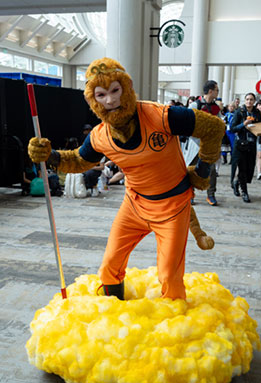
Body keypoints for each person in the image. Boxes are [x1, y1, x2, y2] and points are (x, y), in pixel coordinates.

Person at [26, 58, 223, 300]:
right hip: (134, 205)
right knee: (109, 265)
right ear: (93, 100)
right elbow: (79, 161)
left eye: (115, 90)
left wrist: (202, 171)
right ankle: (113, 311)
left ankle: (174, 328)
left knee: (170, 276)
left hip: (172, 206)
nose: (110, 100)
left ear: (126, 88)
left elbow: (213, 127)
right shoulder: (100, 136)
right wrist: (51, 155)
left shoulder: (160, 116)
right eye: (101, 95)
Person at [228, 93, 260, 203]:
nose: (249, 101)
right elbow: (232, 128)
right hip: (240, 145)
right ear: (244, 100)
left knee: (249, 169)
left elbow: (259, 127)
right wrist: (243, 124)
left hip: (251, 145)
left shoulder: (257, 113)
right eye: (247, 99)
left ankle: (237, 183)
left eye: (251, 99)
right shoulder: (239, 112)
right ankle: (244, 192)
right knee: (242, 168)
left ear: (254, 101)